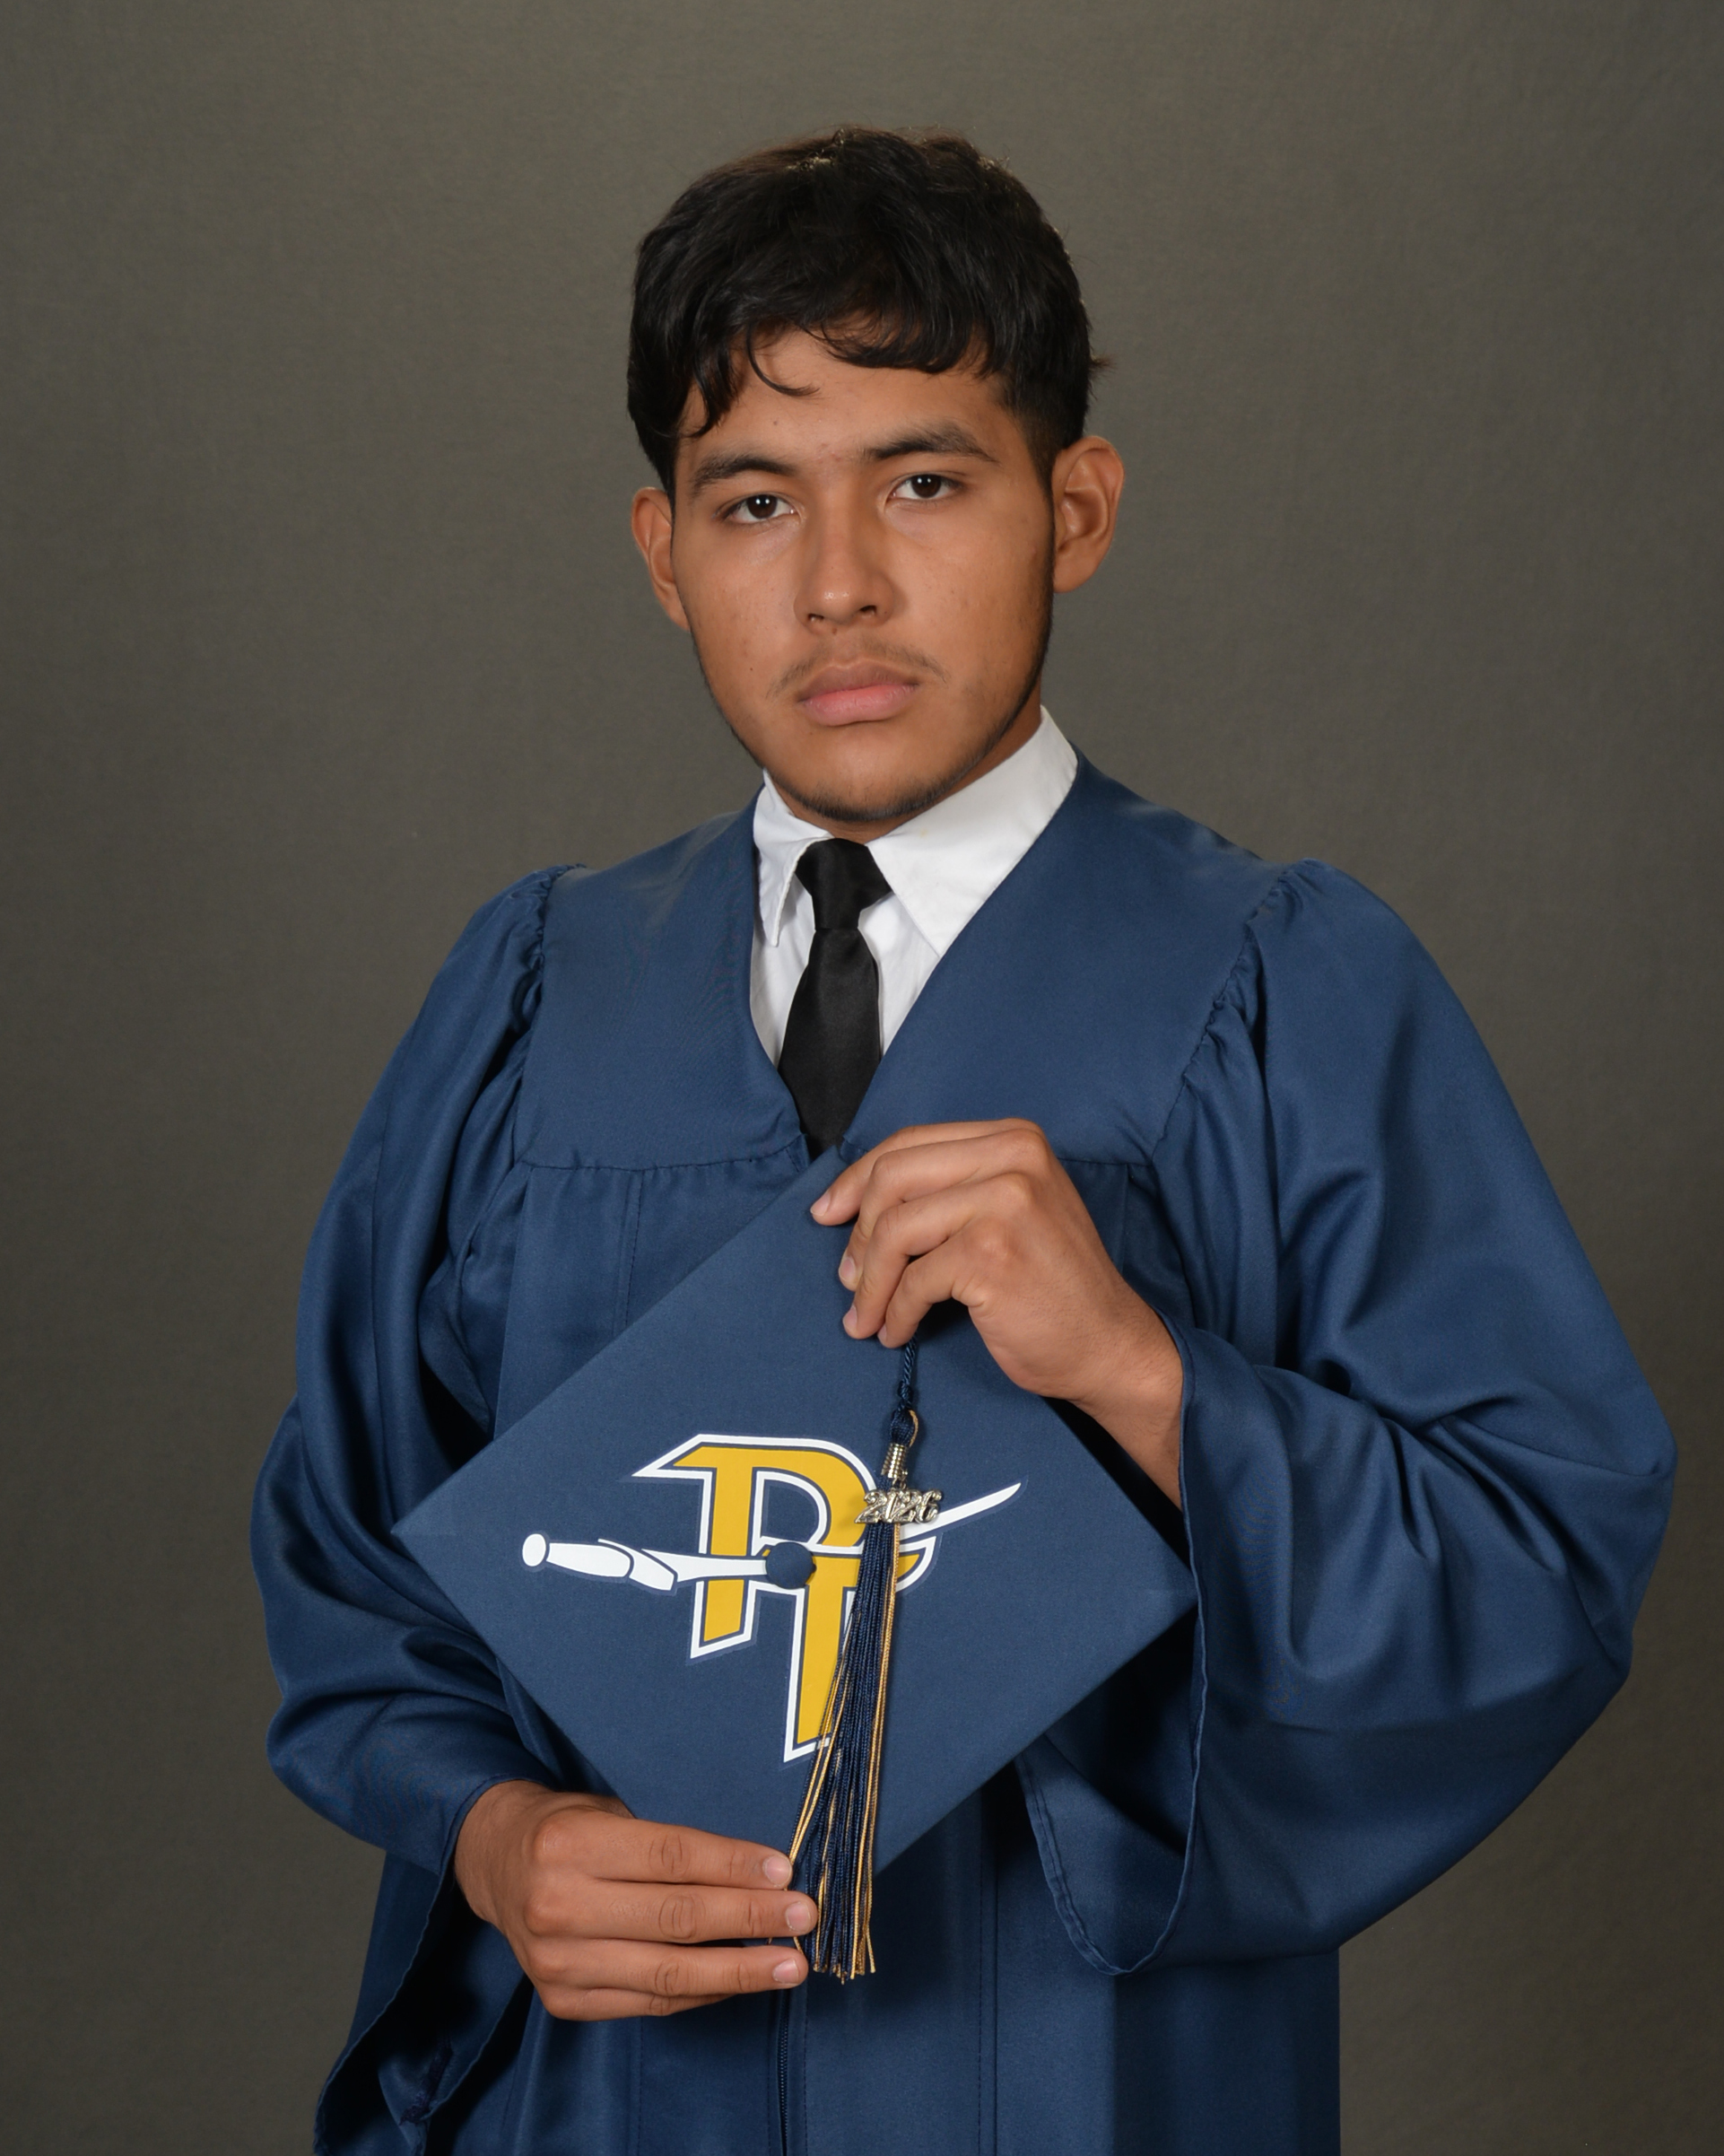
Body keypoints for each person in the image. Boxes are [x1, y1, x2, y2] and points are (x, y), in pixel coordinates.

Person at [252, 128, 1675, 2155]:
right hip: (610, 2100)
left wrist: (1144, 1373)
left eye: (923, 482)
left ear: (1071, 509)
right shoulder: (533, 995)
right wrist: (494, 1837)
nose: (837, 583)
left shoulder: (1283, 986)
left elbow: (1531, 1558)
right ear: (662, 552)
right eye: (755, 501)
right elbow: (350, 1543)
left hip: (1084, 2094)